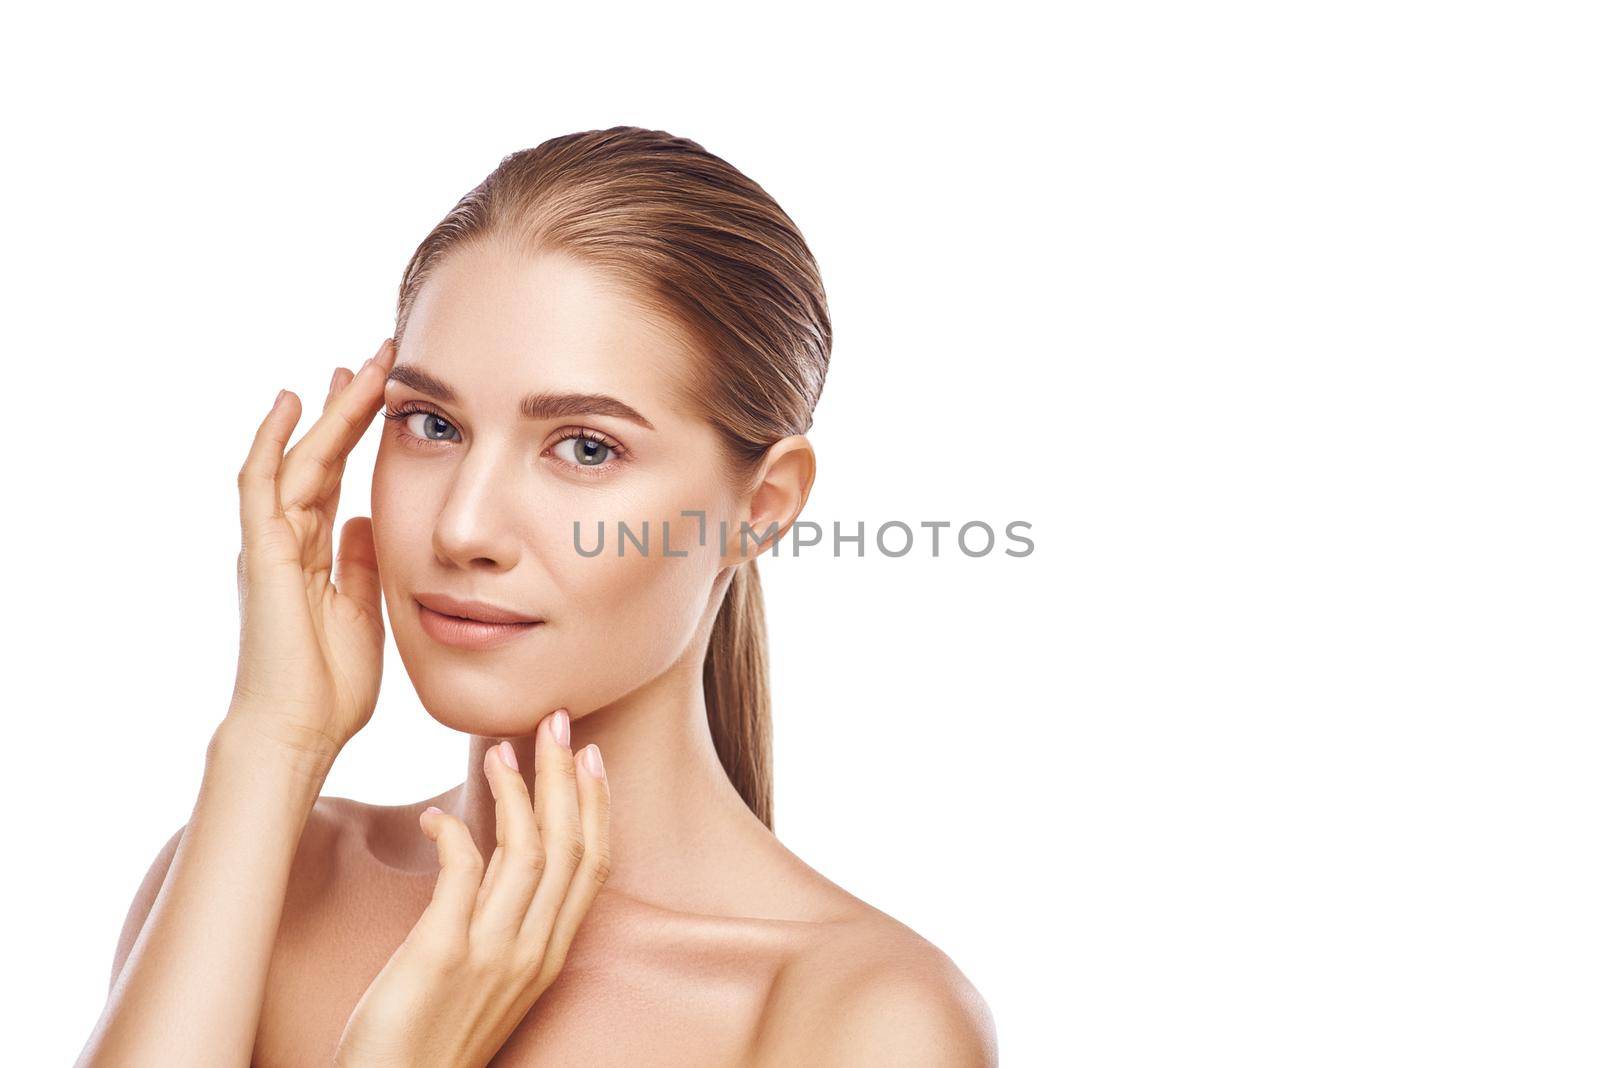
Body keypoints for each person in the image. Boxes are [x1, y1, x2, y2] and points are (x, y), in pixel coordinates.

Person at [76, 126, 998, 1066]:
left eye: (586, 448)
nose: (463, 529)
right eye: (430, 424)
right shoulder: (264, 877)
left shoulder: (861, 1018)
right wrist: (272, 741)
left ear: (759, 509)